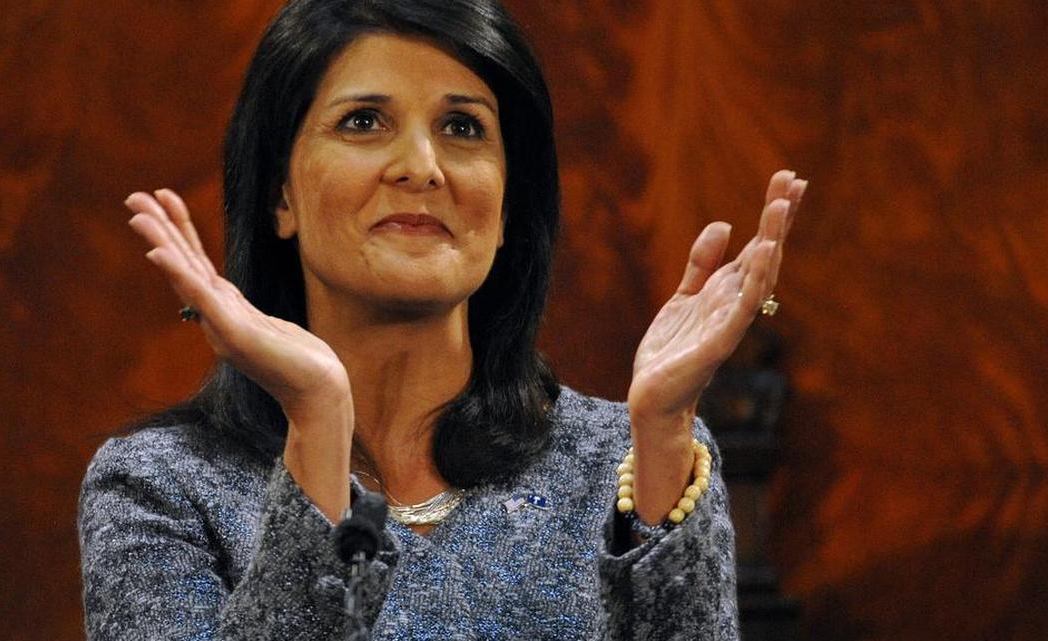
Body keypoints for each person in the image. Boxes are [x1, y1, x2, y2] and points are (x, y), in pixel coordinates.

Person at [78, 0, 808, 639]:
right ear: (280, 195)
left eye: (463, 126)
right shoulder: (160, 485)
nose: (422, 166)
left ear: (507, 206)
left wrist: (663, 435)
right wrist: (319, 420)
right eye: (364, 121)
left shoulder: (630, 458)